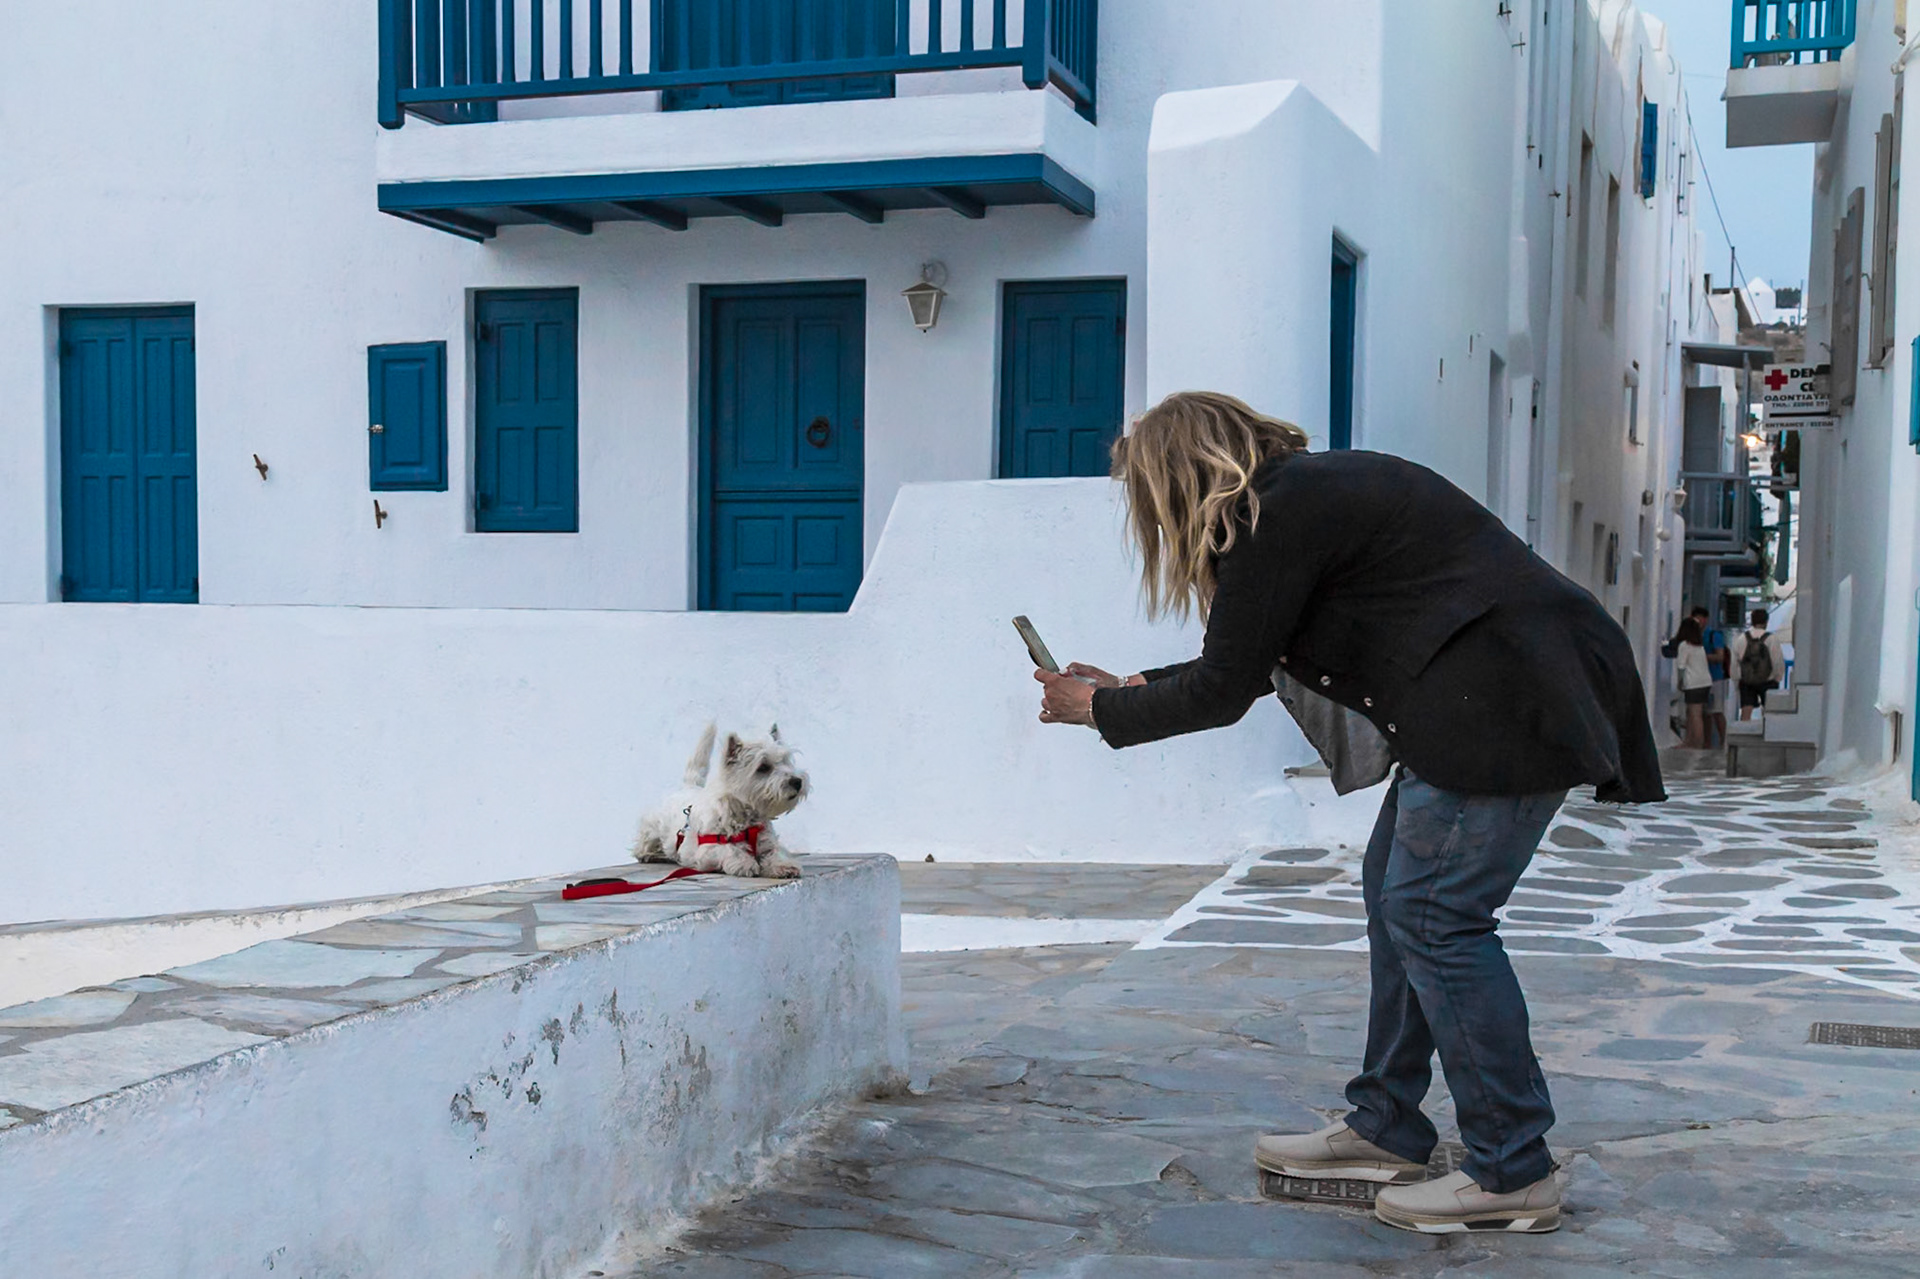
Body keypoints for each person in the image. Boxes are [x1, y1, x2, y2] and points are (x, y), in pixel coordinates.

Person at [1033, 392, 1664, 1235]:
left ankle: (1513, 1167)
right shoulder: (1299, 499)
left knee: (1435, 912)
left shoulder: (1272, 515)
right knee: (1393, 895)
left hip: (1504, 700)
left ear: (1180, 479)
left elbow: (1226, 686)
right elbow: (1251, 654)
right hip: (1493, 694)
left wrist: (1096, 712)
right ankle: (1386, 1125)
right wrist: (1136, 688)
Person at [1731, 608, 1787, 720]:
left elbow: (1734, 662)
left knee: (1746, 711)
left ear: (1752, 621)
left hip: (1747, 680)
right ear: (1766, 621)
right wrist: (1777, 677)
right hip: (1768, 681)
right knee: (1770, 712)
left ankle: (1744, 733)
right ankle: (1768, 735)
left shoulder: (1741, 638)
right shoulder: (1771, 638)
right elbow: (1777, 660)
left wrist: (1737, 679)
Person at [1671, 616, 1712, 747]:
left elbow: (1681, 666)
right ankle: (1689, 740)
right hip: (1705, 682)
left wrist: (1680, 682)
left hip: (1693, 683)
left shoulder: (1684, 646)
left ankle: (1696, 742)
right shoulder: (1699, 647)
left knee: (1695, 714)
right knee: (1693, 712)